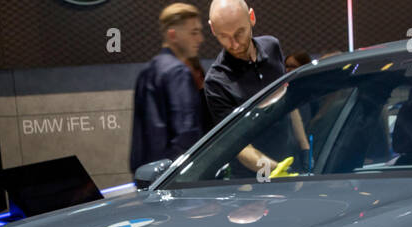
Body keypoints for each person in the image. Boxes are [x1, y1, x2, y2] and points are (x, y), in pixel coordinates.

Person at [203, 0, 308, 177]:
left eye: (239, 33)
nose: (234, 44)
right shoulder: (216, 82)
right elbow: (239, 147)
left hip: (292, 163)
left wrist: (305, 149)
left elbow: (288, 103)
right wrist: (277, 172)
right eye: (224, 36)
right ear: (212, 29)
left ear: (251, 17)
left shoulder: (272, 46)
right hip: (254, 180)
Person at [129, 4, 206, 174]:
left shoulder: (147, 71)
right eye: (194, 32)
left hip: (147, 174)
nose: (200, 39)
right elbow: (187, 133)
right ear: (173, 35)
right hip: (174, 178)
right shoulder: (178, 72)